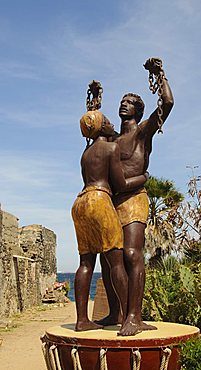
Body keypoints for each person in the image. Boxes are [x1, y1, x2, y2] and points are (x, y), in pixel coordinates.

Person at [98, 58, 174, 336]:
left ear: (138, 111)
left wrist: (160, 75)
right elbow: (92, 127)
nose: (123, 104)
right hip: (112, 202)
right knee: (110, 258)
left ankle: (134, 316)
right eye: (122, 101)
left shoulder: (142, 133)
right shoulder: (111, 140)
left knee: (132, 253)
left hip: (134, 200)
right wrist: (94, 102)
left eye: (129, 102)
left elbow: (167, 104)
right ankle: (115, 313)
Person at [71, 110, 148, 332]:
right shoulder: (111, 148)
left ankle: (82, 320)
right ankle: (129, 319)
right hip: (99, 201)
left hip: (79, 203)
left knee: (86, 262)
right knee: (116, 260)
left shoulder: (86, 153)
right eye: (106, 121)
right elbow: (120, 185)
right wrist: (143, 178)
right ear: (102, 127)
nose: (111, 123)